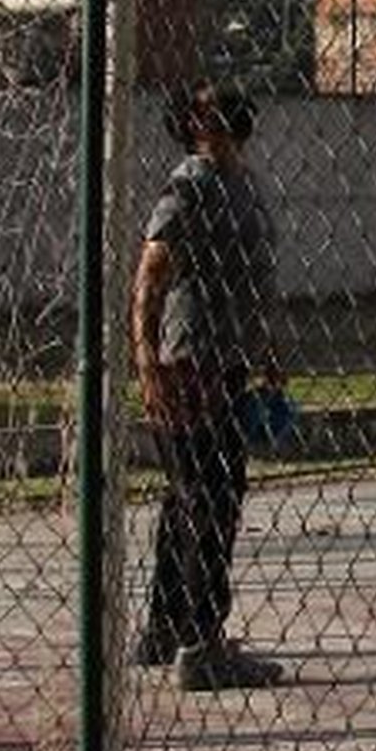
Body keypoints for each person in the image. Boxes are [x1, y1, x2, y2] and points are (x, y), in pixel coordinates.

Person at [129, 81, 287, 691]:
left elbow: (254, 281)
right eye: (205, 105)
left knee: (189, 497)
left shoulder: (244, 184)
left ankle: (166, 630)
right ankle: (202, 643)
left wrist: (268, 351)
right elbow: (150, 277)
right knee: (208, 500)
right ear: (192, 122)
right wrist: (147, 363)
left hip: (231, 361)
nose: (221, 109)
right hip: (190, 362)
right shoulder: (188, 185)